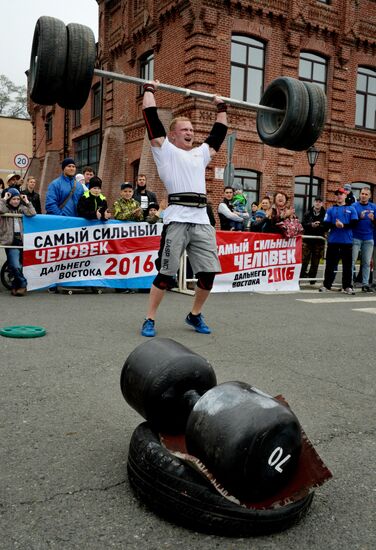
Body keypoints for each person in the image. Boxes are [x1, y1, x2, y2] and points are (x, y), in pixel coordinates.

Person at [140, 78, 228, 337]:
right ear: (173, 134)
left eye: (191, 129)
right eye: (184, 129)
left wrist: (221, 106)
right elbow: (151, 118)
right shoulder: (164, 150)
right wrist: (149, 90)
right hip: (177, 218)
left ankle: (195, 315)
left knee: (208, 275)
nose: (190, 132)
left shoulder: (200, 153)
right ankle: (150, 319)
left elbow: (219, 133)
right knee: (166, 275)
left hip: (202, 220)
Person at [319, 187, 358, 294]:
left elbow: (355, 223)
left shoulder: (352, 209)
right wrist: (335, 225)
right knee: (330, 265)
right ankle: (326, 285)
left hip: (347, 242)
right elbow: (325, 225)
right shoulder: (331, 209)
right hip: (333, 241)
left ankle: (347, 286)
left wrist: (343, 225)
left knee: (347, 266)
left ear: (345, 196)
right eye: (337, 194)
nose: (339, 196)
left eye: (341, 194)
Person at [0, 188, 36, 296]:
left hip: (21, 241)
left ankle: (16, 286)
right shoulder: (5, 208)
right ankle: (23, 284)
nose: (15, 201)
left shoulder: (21, 208)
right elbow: (0, 209)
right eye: (13, 199)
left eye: (17, 199)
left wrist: (26, 201)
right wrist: (4, 199)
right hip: (10, 242)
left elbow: (32, 212)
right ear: (9, 199)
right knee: (15, 265)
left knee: (17, 265)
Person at [351, 187, 376, 293]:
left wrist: (373, 219)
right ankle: (350, 282)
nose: (364, 196)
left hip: (369, 238)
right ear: (359, 194)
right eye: (362, 193)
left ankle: (365, 284)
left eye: (366, 194)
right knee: (352, 261)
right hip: (355, 237)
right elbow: (350, 222)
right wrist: (359, 218)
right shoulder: (354, 206)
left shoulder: (374, 207)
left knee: (366, 263)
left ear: (369, 196)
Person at [300, 197, 326, 284]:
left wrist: (319, 225)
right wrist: (311, 225)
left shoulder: (325, 214)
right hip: (307, 240)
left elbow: (326, 225)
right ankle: (301, 277)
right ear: (313, 203)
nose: (318, 203)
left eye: (319, 202)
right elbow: (303, 224)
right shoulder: (308, 213)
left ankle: (312, 279)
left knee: (315, 261)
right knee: (304, 260)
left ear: (322, 204)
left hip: (319, 241)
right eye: (316, 201)